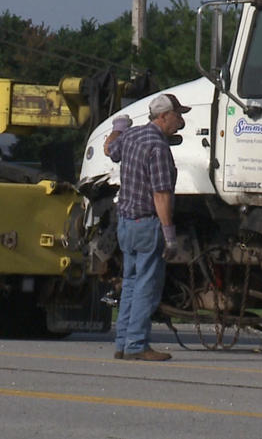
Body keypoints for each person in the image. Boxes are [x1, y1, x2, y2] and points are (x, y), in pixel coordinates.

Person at [109, 93, 189, 361]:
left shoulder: (131, 137)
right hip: (148, 224)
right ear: (163, 116)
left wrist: (118, 127)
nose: (181, 121)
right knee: (146, 286)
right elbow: (161, 194)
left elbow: (111, 150)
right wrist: (169, 235)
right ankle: (137, 345)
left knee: (130, 284)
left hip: (126, 224)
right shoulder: (158, 147)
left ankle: (122, 343)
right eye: (178, 116)